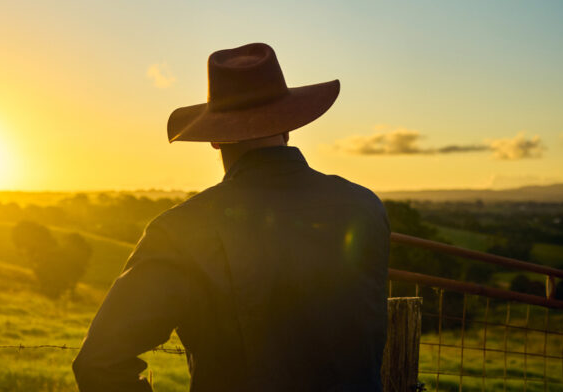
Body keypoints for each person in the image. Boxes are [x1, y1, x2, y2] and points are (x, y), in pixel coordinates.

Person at [73, 42, 389, 391]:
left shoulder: (181, 232)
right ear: (290, 125)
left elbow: (98, 363)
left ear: (214, 139)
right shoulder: (365, 208)